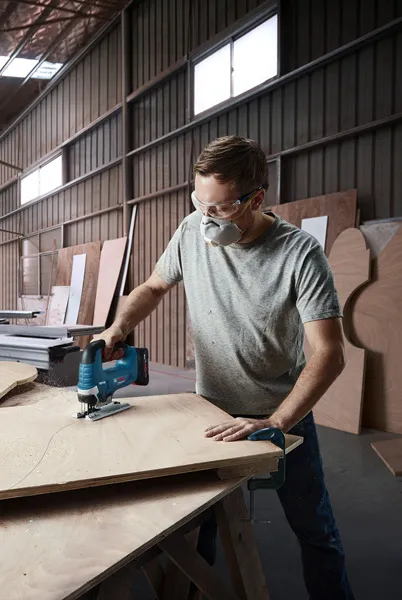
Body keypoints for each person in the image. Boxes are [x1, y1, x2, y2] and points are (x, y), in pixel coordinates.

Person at [98, 135, 354, 599]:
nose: (206, 219)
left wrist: (276, 422)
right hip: (210, 411)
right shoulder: (191, 231)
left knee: (316, 532)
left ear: (256, 198)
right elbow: (154, 287)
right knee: (204, 530)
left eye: (220, 208)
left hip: (280, 415)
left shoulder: (299, 255)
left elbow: (329, 354)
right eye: (199, 203)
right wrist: (117, 328)